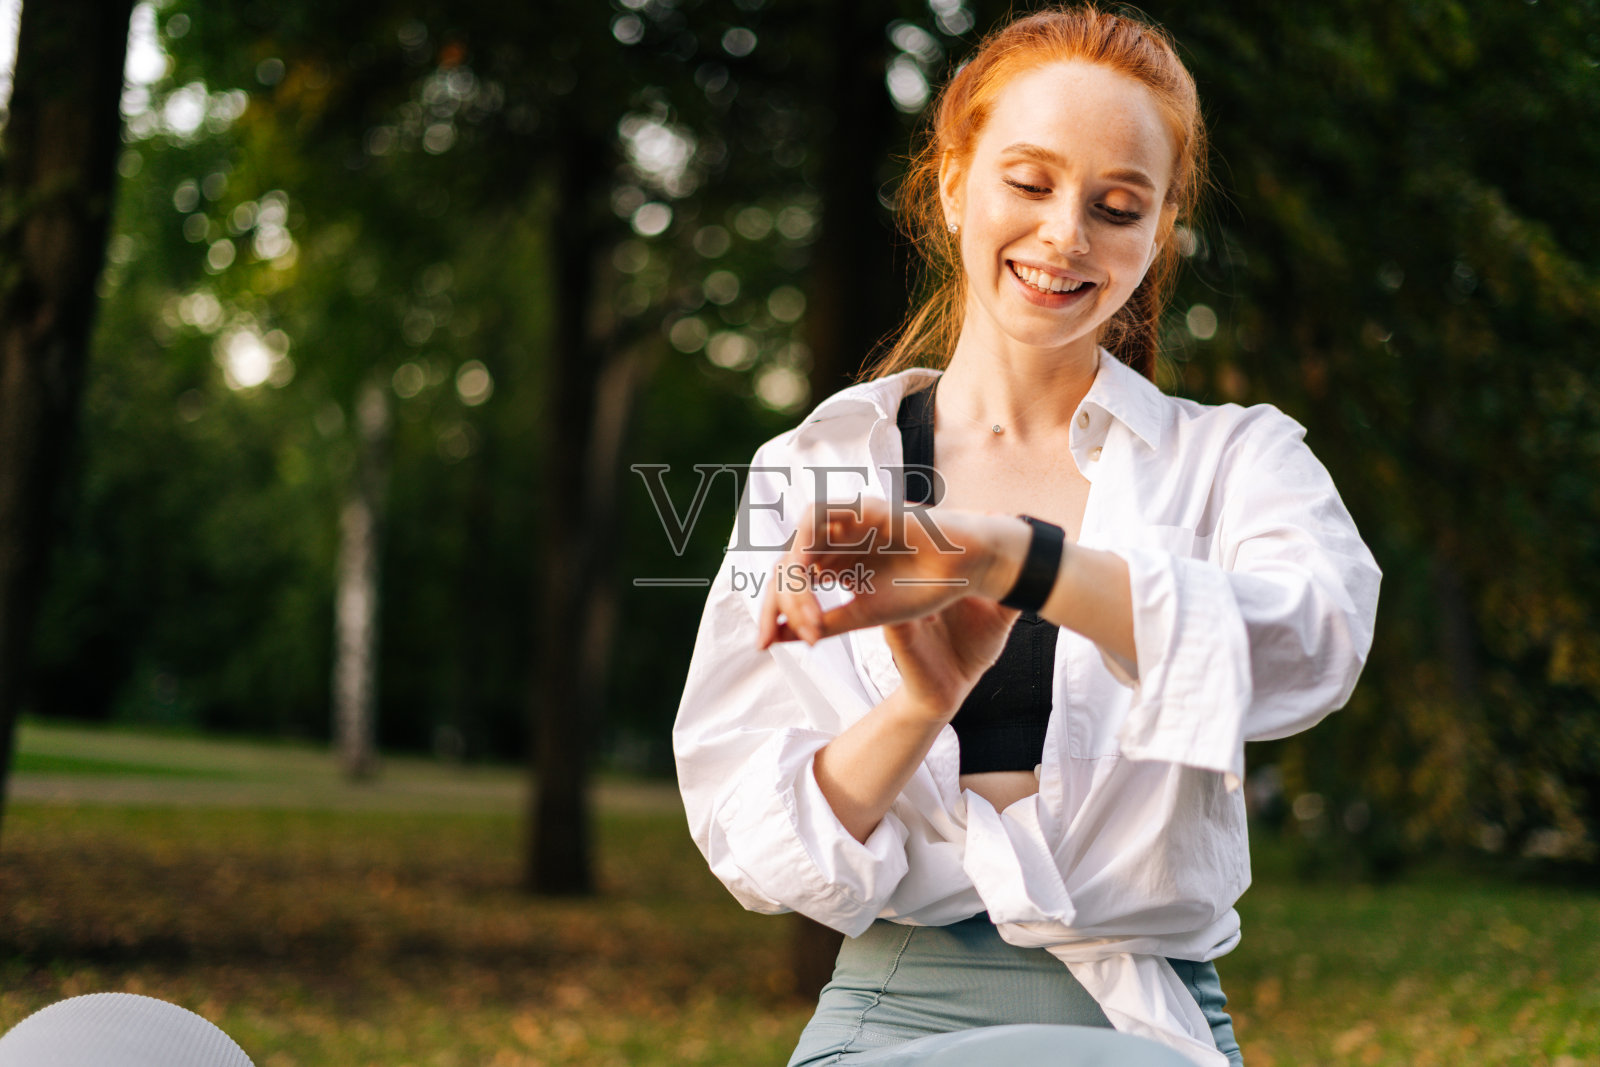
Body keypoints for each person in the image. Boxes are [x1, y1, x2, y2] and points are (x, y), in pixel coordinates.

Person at [673, 6, 1381, 1066]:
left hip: (1148, 1025)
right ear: (955, 181)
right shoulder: (812, 473)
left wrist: (1022, 559)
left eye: (1116, 205)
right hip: (888, 1009)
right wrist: (923, 701)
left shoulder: (1238, 460)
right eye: (1030, 182)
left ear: (1159, 228)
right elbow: (750, 833)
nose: (1066, 235)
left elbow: (1310, 642)